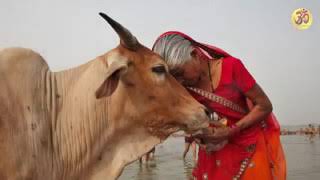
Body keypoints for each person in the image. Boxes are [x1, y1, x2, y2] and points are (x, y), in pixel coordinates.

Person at [152, 31, 286, 180]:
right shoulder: (186, 89)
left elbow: (264, 106)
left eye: (179, 73)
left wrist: (230, 131)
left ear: (195, 54)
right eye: (174, 78)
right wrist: (202, 135)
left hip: (250, 142)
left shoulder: (231, 67)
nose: (179, 81)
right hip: (217, 148)